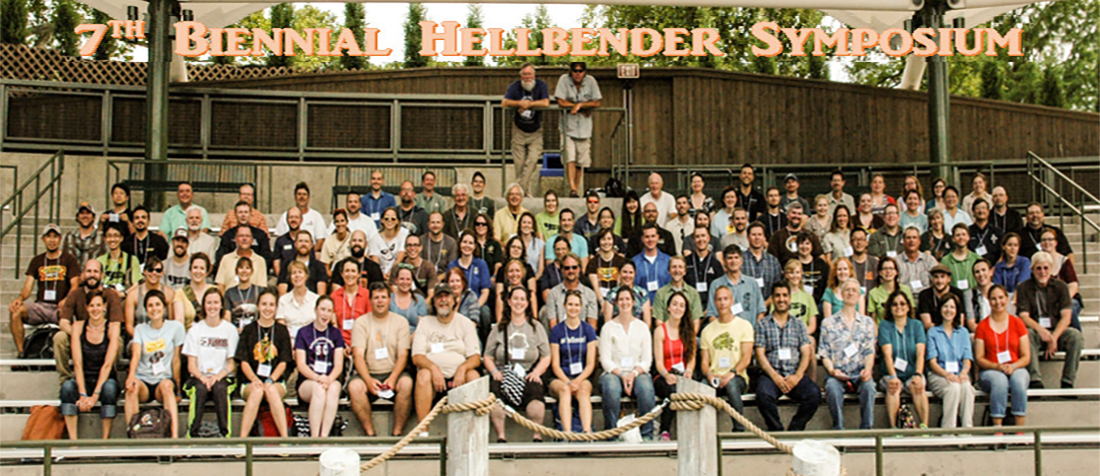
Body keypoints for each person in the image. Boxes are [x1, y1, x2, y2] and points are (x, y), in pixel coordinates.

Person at [485, 285, 551, 442]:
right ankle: (501, 436)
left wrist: (536, 373)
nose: (518, 303)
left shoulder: (536, 327)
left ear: (527, 303)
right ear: (508, 301)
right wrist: (494, 372)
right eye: (515, 299)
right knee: (495, 398)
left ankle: (536, 435)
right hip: (504, 374)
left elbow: (546, 356)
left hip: (528, 373)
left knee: (536, 396)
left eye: (522, 299)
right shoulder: (499, 328)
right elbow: (487, 356)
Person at [349, 283, 415, 436]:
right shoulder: (361, 322)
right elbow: (358, 355)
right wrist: (368, 380)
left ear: (389, 300)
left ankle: (397, 433)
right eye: (376, 298)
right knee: (355, 387)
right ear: (370, 300)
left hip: (394, 373)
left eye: (383, 297)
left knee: (406, 383)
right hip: (369, 373)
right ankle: (370, 433)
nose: (380, 301)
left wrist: (392, 378)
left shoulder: (400, 322)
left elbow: (403, 354)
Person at [411, 285, 481, 428]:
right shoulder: (425, 323)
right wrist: (433, 368)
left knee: (473, 376)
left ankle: (470, 431)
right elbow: (417, 356)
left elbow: (475, 357)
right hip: (433, 379)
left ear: (454, 300)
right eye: (439, 297)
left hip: (459, 378)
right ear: (434, 302)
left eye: (447, 296)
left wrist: (462, 369)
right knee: (423, 375)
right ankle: (423, 432)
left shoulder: (465, 323)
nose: (443, 300)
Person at [754, 282, 820, 432]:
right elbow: (760, 354)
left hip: (794, 374)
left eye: (784, 295)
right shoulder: (763, 325)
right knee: (763, 395)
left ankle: (795, 429)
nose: (781, 299)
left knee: (814, 394)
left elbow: (806, 352)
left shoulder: (799, 325)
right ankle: (776, 430)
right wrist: (775, 376)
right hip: (771, 375)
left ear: (790, 298)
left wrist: (797, 375)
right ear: (772, 298)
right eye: (777, 295)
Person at [10, 224, 80, 356]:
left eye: (55, 237)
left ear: (60, 239)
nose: (52, 240)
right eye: (49, 236)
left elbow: (75, 284)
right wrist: (19, 299)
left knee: (68, 315)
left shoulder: (69, 259)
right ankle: (21, 353)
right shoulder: (37, 260)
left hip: (60, 306)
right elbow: (27, 287)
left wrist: (67, 300)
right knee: (16, 312)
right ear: (43, 239)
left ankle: (70, 352)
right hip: (41, 306)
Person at [59, 289, 121, 440]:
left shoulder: (112, 327)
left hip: (104, 379)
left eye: (99, 305)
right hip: (84, 379)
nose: (95, 309)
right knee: (67, 388)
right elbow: (78, 363)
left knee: (110, 388)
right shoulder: (78, 327)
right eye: (92, 306)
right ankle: (73, 442)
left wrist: (95, 396)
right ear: (86, 307)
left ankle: (104, 440)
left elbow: (107, 364)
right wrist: (82, 393)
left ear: (104, 306)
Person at [1017, 252, 1083, 389]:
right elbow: (1024, 316)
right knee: (1027, 335)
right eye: (1038, 268)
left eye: (1046, 268)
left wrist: (1053, 337)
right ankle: (1035, 380)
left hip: (1056, 331)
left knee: (1075, 336)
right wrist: (1042, 331)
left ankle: (1068, 381)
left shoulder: (1061, 287)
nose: (1042, 272)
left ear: (1051, 269)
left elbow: (1066, 317)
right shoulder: (1023, 288)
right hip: (1036, 331)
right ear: (1032, 269)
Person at [124, 290, 185, 439]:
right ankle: (134, 436)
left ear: (164, 307)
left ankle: (174, 438)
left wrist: (177, 388)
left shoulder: (176, 327)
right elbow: (136, 354)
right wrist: (131, 377)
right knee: (132, 389)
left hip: (163, 380)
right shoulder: (140, 329)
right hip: (144, 380)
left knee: (166, 386)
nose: (154, 308)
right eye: (150, 305)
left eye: (157, 304)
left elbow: (176, 360)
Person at [818, 278, 876, 430]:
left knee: (869, 387)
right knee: (831, 388)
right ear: (842, 294)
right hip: (837, 372)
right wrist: (832, 371)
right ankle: (838, 428)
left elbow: (870, 350)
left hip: (860, 373)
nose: (851, 293)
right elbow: (824, 353)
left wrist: (868, 370)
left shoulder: (868, 322)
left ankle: (866, 429)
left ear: (859, 296)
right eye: (847, 290)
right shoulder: (828, 323)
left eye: (854, 290)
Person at [599, 287, 656, 440]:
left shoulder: (642, 327)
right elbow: (605, 360)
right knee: (610, 388)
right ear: (616, 303)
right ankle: (612, 434)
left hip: (638, 371)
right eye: (621, 299)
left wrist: (633, 373)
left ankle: (647, 434)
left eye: (628, 299)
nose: (624, 303)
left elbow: (647, 360)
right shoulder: (608, 328)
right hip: (614, 372)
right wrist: (622, 375)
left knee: (646, 389)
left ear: (633, 302)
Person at [55, 260, 124, 381]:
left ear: (102, 275)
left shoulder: (111, 295)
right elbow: (63, 323)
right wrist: (78, 335)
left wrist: (98, 334)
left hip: (103, 338)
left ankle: (109, 378)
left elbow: (115, 324)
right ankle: (65, 380)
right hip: (80, 336)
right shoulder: (75, 294)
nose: (92, 275)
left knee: (117, 341)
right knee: (59, 337)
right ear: (83, 274)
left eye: (96, 271)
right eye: (89, 271)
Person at [182, 288, 238, 438]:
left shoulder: (230, 330)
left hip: (222, 377)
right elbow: (191, 365)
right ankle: (191, 437)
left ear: (221, 305)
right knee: (199, 390)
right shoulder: (195, 330)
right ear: (203, 305)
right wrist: (203, 378)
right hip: (199, 377)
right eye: (209, 303)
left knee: (220, 389)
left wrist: (217, 376)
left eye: (215, 302)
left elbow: (232, 364)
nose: (212, 306)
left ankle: (226, 436)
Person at [236, 291, 293, 437]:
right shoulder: (248, 330)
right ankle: (242, 441)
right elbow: (244, 362)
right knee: (257, 392)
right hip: (250, 382)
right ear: (258, 306)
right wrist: (255, 380)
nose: (267, 308)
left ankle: (284, 440)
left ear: (276, 308)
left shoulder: (281, 331)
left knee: (271, 391)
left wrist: (270, 380)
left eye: (271, 305)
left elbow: (283, 362)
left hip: (275, 381)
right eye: (264, 304)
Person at [698, 285, 754, 433]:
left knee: (732, 386)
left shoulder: (744, 326)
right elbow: (704, 362)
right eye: (719, 299)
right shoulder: (707, 330)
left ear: (732, 301)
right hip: (715, 376)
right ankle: (704, 432)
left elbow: (746, 358)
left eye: (725, 299)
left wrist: (732, 373)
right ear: (715, 302)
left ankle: (739, 429)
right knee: (702, 388)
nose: (722, 303)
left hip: (737, 376)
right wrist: (709, 375)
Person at [974, 285, 1030, 428]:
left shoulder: (1017, 323)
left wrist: (1013, 366)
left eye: (1001, 298)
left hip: (1016, 367)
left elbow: (1026, 356)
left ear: (1007, 299)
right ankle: (997, 427)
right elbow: (979, 358)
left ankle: (1019, 429)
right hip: (991, 369)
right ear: (988, 300)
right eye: (993, 299)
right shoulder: (982, 326)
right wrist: (997, 366)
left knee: (1018, 381)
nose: (998, 302)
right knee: (1000, 381)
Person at [293, 295, 345, 437]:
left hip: (330, 378)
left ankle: (324, 436)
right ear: (316, 310)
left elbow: (339, 364)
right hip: (308, 381)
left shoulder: (336, 333)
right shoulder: (303, 332)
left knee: (334, 388)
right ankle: (314, 438)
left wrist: (329, 379)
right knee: (319, 390)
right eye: (323, 309)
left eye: (329, 310)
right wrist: (318, 378)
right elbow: (301, 364)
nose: (325, 314)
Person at [547, 290, 598, 435]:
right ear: (564, 306)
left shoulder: (588, 330)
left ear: (581, 307)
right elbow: (555, 364)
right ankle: (567, 433)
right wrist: (568, 382)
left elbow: (590, 364)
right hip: (561, 377)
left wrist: (577, 381)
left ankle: (587, 432)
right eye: (570, 304)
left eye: (576, 305)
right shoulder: (557, 331)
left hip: (582, 377)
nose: (573, 308)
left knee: (583, 390)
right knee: (564, 390)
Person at [878, 290, 930, 429]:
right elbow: (887, 354)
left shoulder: (917, 325)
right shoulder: (885, 325)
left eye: (902, 304)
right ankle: (894, 428)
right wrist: (893, 376)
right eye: (894, 304)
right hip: (891, 373)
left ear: (908, 307)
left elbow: (920, 353)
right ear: (890, 308)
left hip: (912, 372)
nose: (898, 307)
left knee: (918, 387)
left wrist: (918, 374)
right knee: (893, 387)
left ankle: (924, 427)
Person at [925, 292, 975, 428]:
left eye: (952, 307)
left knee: (967, 388)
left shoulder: (963, 332)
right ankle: (948, 430)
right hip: (938, 375)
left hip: (959, 374)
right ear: (940, 309)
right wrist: (947, 374)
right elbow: (932, 362)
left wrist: (964, 373)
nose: (949, 310)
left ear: (957, 310)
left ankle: (967, 430)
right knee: (953, 388)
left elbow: (967, 359)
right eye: (945, 306)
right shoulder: (933, 332)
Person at [652, 291, 697, 441]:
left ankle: (692, 431)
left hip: (684, 374)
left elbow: (691, 357)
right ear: (668, 308)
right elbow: (658, 361)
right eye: (675, 304)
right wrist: (666, 375)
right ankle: (665, 430)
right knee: (672, 391)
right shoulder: (660, 331)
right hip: (665, 374)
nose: (678, 308)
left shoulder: (688, 330)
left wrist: (689, 371)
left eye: (682, 305)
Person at [555, 61, 602, 197]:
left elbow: (597, 102)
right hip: (567, 127)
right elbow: (560, 101)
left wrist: (581, 105)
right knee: (570, 158)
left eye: (580, 71)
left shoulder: (591, 81)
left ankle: (575, 189)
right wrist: (575, 106)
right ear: (571, 71)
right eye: (575, 70)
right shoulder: (563, 80)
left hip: (585, 128)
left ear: (585, 72)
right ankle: (573, 188)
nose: (577, 73)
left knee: (581, 162)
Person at [543, 253, 600, 332]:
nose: (571, 271)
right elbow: (553, 326)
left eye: (574, 267)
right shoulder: (553, 294)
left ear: (579, 269)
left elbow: (592, 326)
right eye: (567, 268)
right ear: (562, 270)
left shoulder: (590, 294)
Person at [1041, 228, 1083, 331]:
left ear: (1055, 242)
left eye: (1050, 239)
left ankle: (1077, 339)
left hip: (1067, 299)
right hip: (1045, 299)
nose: (1047, 242)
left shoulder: (1064, 261)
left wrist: (1062, 300)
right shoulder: (1037, 262)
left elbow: (1073, 285)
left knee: (1070, 310)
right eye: (1044, 240)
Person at [124, 257, 177, 337]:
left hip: (163, 338)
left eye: (158, 270)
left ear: (162, 272)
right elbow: (129, 326)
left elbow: (172, 323)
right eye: (150, 270)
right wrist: (143, 339)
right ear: (144, 272)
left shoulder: (169, 293)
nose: (154, 273)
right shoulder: (133, 294)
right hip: (139, 337)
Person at [216, 202, 272, 271]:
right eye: (240, 212)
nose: (243, 215)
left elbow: (267, 258)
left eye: (246, 212)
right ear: (235, 214)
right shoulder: (228, 235)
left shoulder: (260, 235)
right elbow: (221, 257)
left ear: (250, 214)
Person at [653, 256, 704, 331]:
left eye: (680, 267)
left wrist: (689, 339)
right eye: (674, 267)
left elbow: (696, 322)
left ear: (685, 271)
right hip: (667, 337)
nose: (677, 270)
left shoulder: (693, 293)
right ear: (669, 271)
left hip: (687, 337)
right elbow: (659, 321)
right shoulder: (660, 293)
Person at [331, 258, 371, 346]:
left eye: (353, 271)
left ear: (359, 274)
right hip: (340, 343)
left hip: (362, 342)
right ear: (342, 274)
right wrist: (341, 344)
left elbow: (370, 324)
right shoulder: (334, 296)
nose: (350, 274)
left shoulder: (367, 295)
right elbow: (334, 325)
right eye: (347, 271)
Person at [214, 226, 268, 291]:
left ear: (252, 239)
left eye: (247, 236)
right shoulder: (226, 259)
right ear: (235, 239)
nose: (244, 239)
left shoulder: (260, 261)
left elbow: (261, 288)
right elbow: (220, 285)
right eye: (241, 236)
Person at [276, 260, 320, 340]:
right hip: (289, 341)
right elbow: (281, 327)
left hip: (311, 341)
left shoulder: (316, 299)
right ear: (290, 277)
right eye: (294, 273)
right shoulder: (283, 300)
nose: (297, 275)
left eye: (300, 272)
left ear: (306, 276)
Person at [276, 231, 329, 296]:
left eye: (306, 241)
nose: (303, 244)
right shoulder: (286, 265)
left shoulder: (319, 266)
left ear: (311, 245)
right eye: (300, 241)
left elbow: (321, 294)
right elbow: (282, 293)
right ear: (295, 244)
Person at [449, 231, 492, 309]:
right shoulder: (452, 265)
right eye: (464, 242)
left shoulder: (481, 264)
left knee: (485, 311)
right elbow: (449, 290)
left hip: (478, 305)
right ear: (460, 244)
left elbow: (485, 291)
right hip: (457, 306)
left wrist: (475, 307)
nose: (467, 245)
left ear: (475, 246)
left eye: (470, 243)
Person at [917, 265, 967, 330]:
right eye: (936, 277)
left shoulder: (957, 293)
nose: (939, 281)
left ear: (949, 279)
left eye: (942, 277)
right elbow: (927, 324)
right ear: (932, 279)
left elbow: (960, 321)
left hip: (954, 331)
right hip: (934, 332)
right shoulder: (925, 295)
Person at [685, 227, 724, 310]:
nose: (700, 239)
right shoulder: (685, 262)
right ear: (693, 239)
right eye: (697, 236)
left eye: (703, 236)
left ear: (708, 238)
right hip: (689, 309)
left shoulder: (716, 264)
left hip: (711, 310)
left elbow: (720, 290)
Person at [632, 224, 672, 305]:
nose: (650, 240)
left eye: (653, 236)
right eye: (647, 237)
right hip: (642, 310)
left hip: (664, 310)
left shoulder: (668, 261)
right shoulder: (634, 262)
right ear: (642, 239)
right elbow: (633, 289)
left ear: (658, 237)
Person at [867, 257, 914, 324]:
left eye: (891, 268)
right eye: (885, 268)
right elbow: (873, 319)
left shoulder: (905, 290)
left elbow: (912, 313)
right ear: (880, 272)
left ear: (896, 272)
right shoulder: (873, 293)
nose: (888, 271)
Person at [942, 225, 980, 306]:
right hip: (953, 302)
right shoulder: (945, 261)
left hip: (974, 300)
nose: (961, 237)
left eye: (963, 234)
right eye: (958, 235)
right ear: (953, 239)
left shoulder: (977, 259)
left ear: (968, 237)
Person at [224, 258, 264, 331]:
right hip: (236, 331)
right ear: (236, 271)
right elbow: (227, 317)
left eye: (247, 268)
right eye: (241, 268)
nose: (244, 271)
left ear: (252, 271)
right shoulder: (229, 292)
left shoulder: (260, 291)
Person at [586, 229, 626, 299]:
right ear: (599, 242)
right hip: (598, 299)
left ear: (613, 241)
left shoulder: (621, 261)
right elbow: (595, 287)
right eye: (603, 239)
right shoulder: (593, 263)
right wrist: (602, 302)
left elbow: (620, 285)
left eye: (609, 239)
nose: (606, 242)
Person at [175, 253, 213, 329]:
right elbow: (179, 322)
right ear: (190, 270)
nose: (198, 271)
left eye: (202, 268)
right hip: (188, 337)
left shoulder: (214, 291)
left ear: (207, 272)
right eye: (195, 267)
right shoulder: (180, 293)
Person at [369, 208, 409, 277]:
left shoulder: (403, 236)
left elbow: (400, 257)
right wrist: (381, 275)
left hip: (398, 274)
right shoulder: (375, 238)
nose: (389, 221)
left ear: (397, 221)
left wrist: (391, 272)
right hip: (380, 274)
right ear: (382, 220)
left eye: (393, 219)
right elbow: (375, 261)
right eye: (386, 218)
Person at [496, 258, 537, 324]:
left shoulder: (531, 295)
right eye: (511, 271)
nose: (514, 274)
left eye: (517, 271)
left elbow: (534, 320)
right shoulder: (501, 297)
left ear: (522, 273)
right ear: (507, 275)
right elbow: (499, 322)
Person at [897, 227, 938, 295]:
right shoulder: (896, 261)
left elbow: (937, 281)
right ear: (903, 241)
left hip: (926, 299)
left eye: (914, 237)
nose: (911, 240)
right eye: (908, 238)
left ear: (919, 241)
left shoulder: (929, 260)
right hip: (904, 300)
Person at [63, 202, 105, 266]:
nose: (85, 216)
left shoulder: (101, 238)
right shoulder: (69, 237)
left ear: (93, 217)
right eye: (82, 213)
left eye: (88, 213)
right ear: (77, 217)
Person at [390, 265, 429, 333]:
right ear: (396, 280)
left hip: (415, 339)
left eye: (408, 279)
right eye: (402, 279)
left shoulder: (420, 300)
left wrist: (408, 340)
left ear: (412, 281)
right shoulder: (389, 299)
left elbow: (421, 327)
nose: (405, 282)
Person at [446, 267, 485, 335]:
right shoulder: (444, 298)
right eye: (452, 281)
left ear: (463, 283)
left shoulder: (470, 296)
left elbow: (474, 321)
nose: (455, 284)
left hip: (468, 334)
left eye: (458, 281)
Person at [795, 232, 830, 304]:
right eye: (801, 243)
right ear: (797, 246)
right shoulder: (792, 263)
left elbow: (826, 284)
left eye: (807, 243)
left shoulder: (821, 264)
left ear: (812, 246)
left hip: (818, 303)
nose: (804, 247)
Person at [993, 233, 1031, 297]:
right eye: (1010, 245)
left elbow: (1022, 284)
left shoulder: (1024, 262)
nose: (1012, 248)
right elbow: (997, 286)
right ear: (1004, 247)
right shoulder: (999, 266)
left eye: (1015, 245)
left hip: (1021, 297)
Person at [422, 211, 458, 275]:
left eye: (438, 222)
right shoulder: (421, 241)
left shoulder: (451, 243)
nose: (435, 225)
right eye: (432, 222)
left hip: (445, 279)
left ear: (443, 224)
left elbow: (452, 268)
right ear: (428, 224)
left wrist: (439, 279)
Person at [272, 206, 305, 276]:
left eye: (296, 217)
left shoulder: (306, 239)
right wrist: (281, 280)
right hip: (285, 278)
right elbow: (276, 264)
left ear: (301, 220)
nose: (293, 220)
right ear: (287, 220)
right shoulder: (280, 241)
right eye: (291, 217)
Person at [968, 199, 1003, 263]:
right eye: (978, 208)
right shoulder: (967, 232)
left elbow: (1002, 253)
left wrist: (993, 269)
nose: (981, 211)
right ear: (973, 212)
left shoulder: (997, 232)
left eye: (983, 208)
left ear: (988, 211)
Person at [848, 228, 878, 293]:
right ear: (850, 242)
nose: (859, 242)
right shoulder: (846, 263)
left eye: (861, 239)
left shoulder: (875, 263)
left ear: (866, 242)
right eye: (856, 239)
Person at [969, 259, 995, 331]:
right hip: (979, 334)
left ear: (990, 272)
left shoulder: (1000, 292)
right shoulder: (969, 294)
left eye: (983, 270)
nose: (981, 274)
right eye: (977, 272)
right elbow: (971, 323)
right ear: (974, 276)